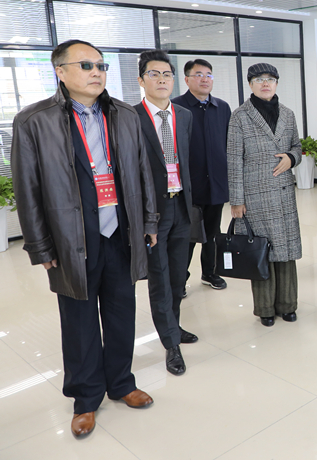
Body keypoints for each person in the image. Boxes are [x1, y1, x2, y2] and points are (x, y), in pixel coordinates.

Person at [11, 39, 158, 437]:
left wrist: (149, 221)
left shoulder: (124, 115)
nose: (97, 72)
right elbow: (27, 188)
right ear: (60, 71)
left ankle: (121, 383)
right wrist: (40, 245)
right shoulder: (34, 121)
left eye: (101, 65)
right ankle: (86, 397)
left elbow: (143, 172)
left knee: (121, 313)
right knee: (79, 321)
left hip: (120, 232)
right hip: (70, 238)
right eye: (86, 65)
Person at [134, 50, 195, 376]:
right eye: (154, 74)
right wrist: (143, 218)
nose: (161, 80)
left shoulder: (184, 115)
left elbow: (186, 161)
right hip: (152, 212)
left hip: (181, 205)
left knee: (178, 276)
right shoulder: (130, 118)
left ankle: (174, 325)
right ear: (141, 80)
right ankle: (171, 344)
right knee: (159, 278)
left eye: (166, 74)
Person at [228, 63, 302, 327]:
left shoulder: (288, 114)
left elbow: (297, 146)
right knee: (261, 251)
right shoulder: (240, 116)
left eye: (270, 79)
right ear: (250, 84)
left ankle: (288, 305)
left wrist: (292, 158)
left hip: (283, 192)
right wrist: (236, 200)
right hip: (255, 195)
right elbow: (234, 160)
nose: (266, 83)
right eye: (259, 79)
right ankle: (265, 308)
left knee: (286, 250)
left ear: (277, 83)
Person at [173, 59, 232, 291]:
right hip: (188, 186)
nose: (205, 79)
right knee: (187, 236)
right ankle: (180, 279)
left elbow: (228, 145)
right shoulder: (176, 107)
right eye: (199, 74)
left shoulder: (222, 107)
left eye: (209, 75)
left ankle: (210, 272)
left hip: (216, 184)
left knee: (213, 233)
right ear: (187, 79)